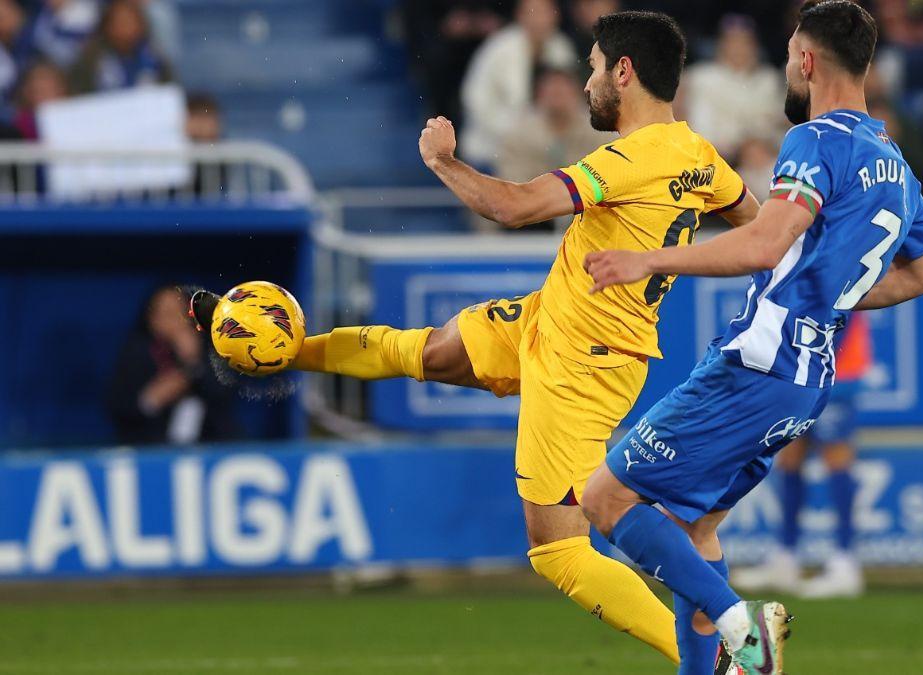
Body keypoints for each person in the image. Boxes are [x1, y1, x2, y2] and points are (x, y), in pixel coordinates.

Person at [191, 11, 757, 672]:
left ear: (624, 72)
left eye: (595, 67)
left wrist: (443, 161)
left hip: (584, 360)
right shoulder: (698, 155)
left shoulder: (632, 157)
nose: (587, 82)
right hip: (553, 319)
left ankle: (718, 656)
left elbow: (513, 206)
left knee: (560, 550)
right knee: (425, 350)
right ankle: (291, 350)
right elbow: (754, 220)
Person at [578, 2, 923, 673]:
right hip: (807, 382)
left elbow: (766, 241)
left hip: (755, 365)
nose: (786, 70)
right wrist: (826, 289)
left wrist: (647, 259)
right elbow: (919, 276)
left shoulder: (816, 141)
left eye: (789, 55)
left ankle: (746, 633)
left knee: (605, 497)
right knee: (694, 529)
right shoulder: (896, 166)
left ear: (806, 60)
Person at [730, 312, 873, 599]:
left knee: (837, 459)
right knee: (790, 457)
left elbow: (843, 306)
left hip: (837, 370)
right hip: (801, 371)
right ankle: (786, 558)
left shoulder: (836, 267)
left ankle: (845, 563)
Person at [108, 285, 239, 445]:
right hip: (150, 448)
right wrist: (149, 400)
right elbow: (119, 406)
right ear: (151, 319)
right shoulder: (136, 353)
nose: (175, 321)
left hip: (207, 446)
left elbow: (224, 398)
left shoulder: (210, 348)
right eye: (167, 314)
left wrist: (192, 361)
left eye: (180, 313)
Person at [494, 67, 613, 232]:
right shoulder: (518, 136)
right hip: (532, 222)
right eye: (551, 93)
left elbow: (611, 179)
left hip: (590, 217)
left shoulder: (601, 134)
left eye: (563, 92)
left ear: (578, 95)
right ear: (538, 97)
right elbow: (512, 184)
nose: (557, 99)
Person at [458, 0, 576, 165]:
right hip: (492, 149)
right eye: (532, 12)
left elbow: (567, 100)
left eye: (544, 12)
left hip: (545, 150)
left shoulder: (562, 49)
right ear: (519, 15)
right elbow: (474, 98)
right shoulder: (497, 48)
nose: (538, 19)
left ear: (555, 16)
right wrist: (517, 133)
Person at [682, 14, 786, 158]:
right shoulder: (701, 76)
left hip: (763, 158)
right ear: (721, 44)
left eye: (744, 42)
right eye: (733, 42)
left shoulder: (769, 79)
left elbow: (778, 123)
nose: (738, 48)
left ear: (755, 46)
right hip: (711, 157)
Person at [67, 0, 173, 94]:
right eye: (119, 22)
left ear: (141, 25)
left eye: (130, 22)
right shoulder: (91, 61)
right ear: (107, 26)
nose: (125, 28)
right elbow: (79, 97)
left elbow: (169, 92)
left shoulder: (155, 59)